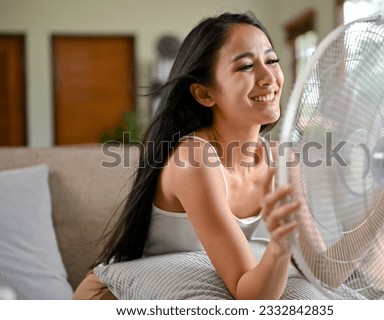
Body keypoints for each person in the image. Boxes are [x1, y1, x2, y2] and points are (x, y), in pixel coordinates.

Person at [73, 11, 301, 300]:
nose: (269, 77)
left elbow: (326, 270)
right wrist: (280, 246)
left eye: (271, 60)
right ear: (205, 94)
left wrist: (377, 206)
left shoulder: (281, 160)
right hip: (112, 298)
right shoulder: (194, 159)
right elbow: (250, 295)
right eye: (245, 66)